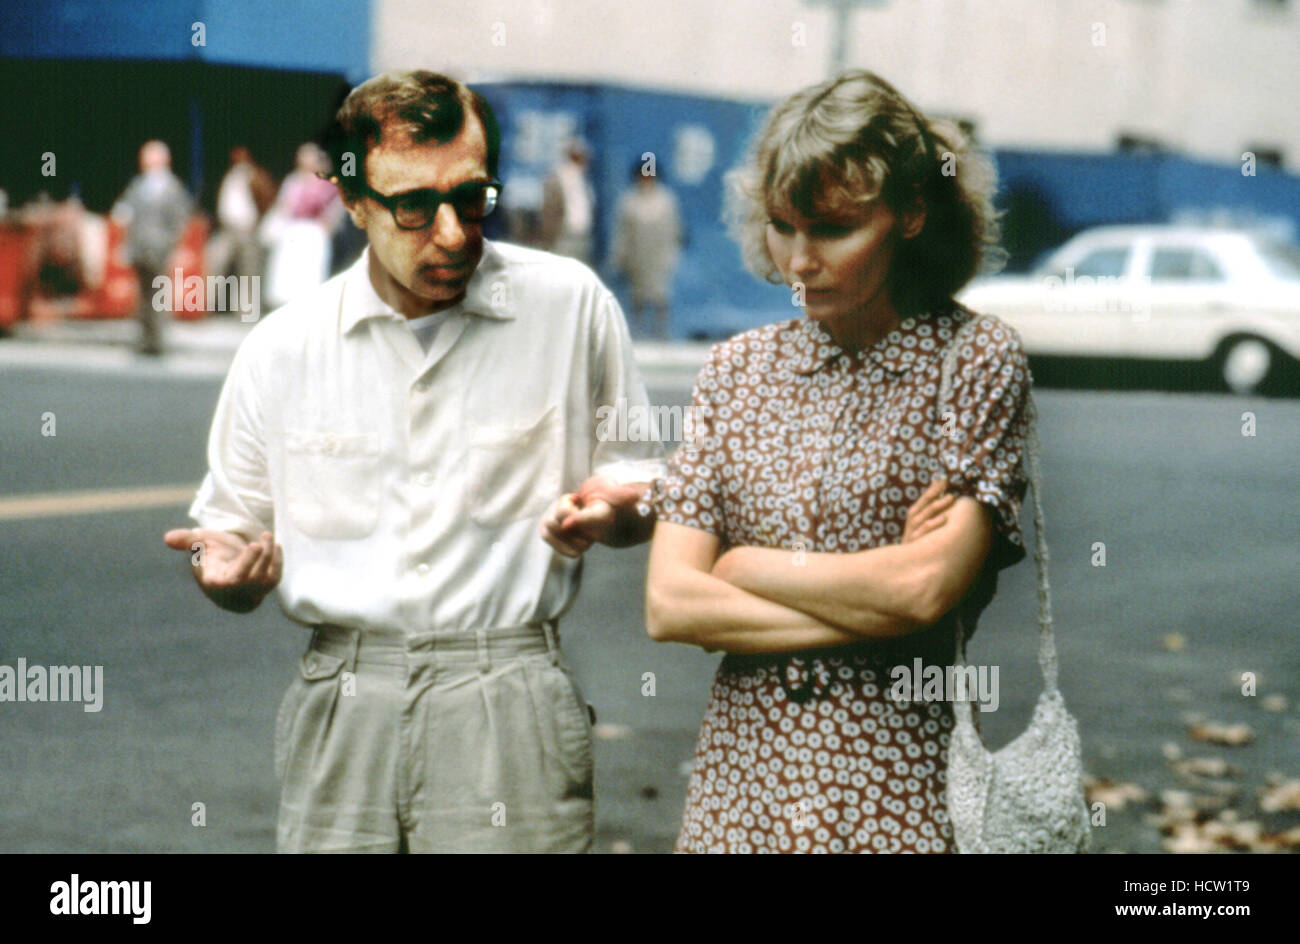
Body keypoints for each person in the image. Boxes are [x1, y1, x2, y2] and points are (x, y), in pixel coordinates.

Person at [162, 70, 664, 853]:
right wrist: (222, 572)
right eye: (415, 207)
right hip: (343, 700)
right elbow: (227, 529)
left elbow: (638, 480)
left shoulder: (571, 308)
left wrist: (620, 511)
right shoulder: (283, 348)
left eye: (471, 199)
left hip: (509, 699)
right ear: (353, 200)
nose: (454, 234)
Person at [643, 70, 1031, 854]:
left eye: (834, 229)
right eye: (782, 226)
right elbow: (672, 604)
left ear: (912, 213)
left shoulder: (974, 359)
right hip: (740, 795)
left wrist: (744, 565)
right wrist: (872, 597)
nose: (800, 260)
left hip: (897, 793)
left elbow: (924, 591)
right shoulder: (736, 369)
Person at [112, 140, 193, 355]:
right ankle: (144, 338)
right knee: (142, 296)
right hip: (140, 248)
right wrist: (125, 245)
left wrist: (174, 246)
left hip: (161, 249)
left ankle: (158, 340)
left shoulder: (172, 187)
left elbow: (180, 220)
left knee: (159, 295)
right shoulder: (138, 185)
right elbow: (127, 215)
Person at [260, 142, 345, 308]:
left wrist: (329, 223)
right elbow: (283, 205)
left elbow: (338, 204)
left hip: (314, 231)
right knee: (287, 271)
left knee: (311, 271)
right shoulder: (292, 180)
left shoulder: (326, 180)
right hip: (292, 230)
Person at [611, 161, 683, 339]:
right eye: (643, 176)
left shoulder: (666, 200)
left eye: (649, 176)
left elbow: (675, 230)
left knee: (661, 295)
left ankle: (661, 332)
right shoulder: (629, 201)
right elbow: (622, 232)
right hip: (637, 257)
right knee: (638, 296)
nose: (646, 180)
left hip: (659, 257)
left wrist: (672, 255)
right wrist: (619, 256)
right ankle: (636, 332)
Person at [207, 146, 276, 288]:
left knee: (248, 271)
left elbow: (266, 200)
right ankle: (207, 299)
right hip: (228, 229)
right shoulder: (230, 176)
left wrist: (257, 222)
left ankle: (246, 302)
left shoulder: (256, 176)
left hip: (247, 230)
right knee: (214, 263)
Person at [540, 139, 596, 263]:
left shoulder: (583, 178)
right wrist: (550, 235)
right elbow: (550, 210)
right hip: (563, 233)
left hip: (582, 233)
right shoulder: (558, 177)